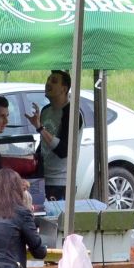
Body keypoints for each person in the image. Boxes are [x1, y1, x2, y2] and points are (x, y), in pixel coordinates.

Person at [33, 73, 81, 201]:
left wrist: (40, 128)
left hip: (61, 182)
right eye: (48, 79)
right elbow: (44, 145)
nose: (48, 83)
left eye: (53, 81)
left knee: (57, 220)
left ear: (64, 89)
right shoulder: (46, 110)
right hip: (42, 178)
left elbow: (64, 150)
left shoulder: (71, 113)